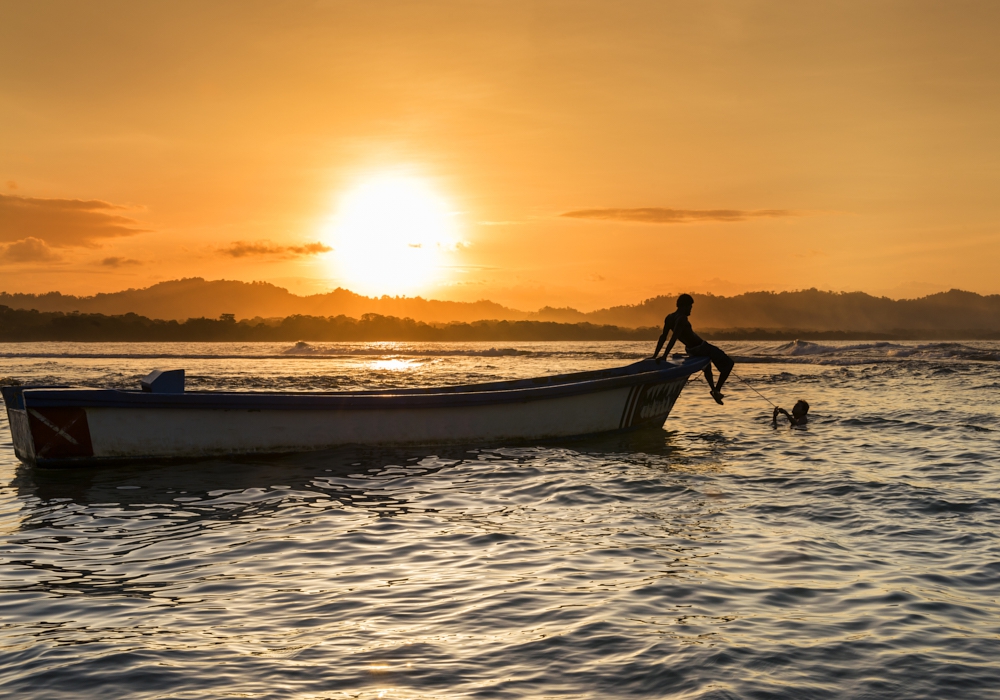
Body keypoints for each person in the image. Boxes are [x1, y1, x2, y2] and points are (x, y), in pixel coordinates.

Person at [652, 293, 734, 405]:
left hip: (690, 349)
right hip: (701, 347)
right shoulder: (682, 318)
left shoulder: (669, 317)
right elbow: (673, 338)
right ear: (684, 306)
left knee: (707, 365)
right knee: (729, 364)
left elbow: (663, 337)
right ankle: (717, 389)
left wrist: (655, 355)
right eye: (690, 307)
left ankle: (713, 390)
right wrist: (664, 355)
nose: (691, 310)